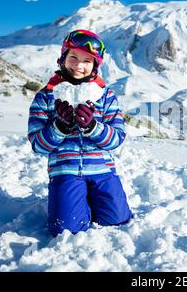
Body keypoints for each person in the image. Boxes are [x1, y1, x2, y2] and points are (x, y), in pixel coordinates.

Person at [27, 29, 132, 237]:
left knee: (118, 220)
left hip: (102, 171)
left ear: (95, 65)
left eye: (87, 61)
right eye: (73, 57)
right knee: (65, 230)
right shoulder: (46, 97)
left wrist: (94, 127)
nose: (79, 65)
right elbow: (37, 145)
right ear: (63, 58)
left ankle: (87, 200)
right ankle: (73, 199)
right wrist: (60, 127)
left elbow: (117, 138)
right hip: (65, 171)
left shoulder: (105, 96)